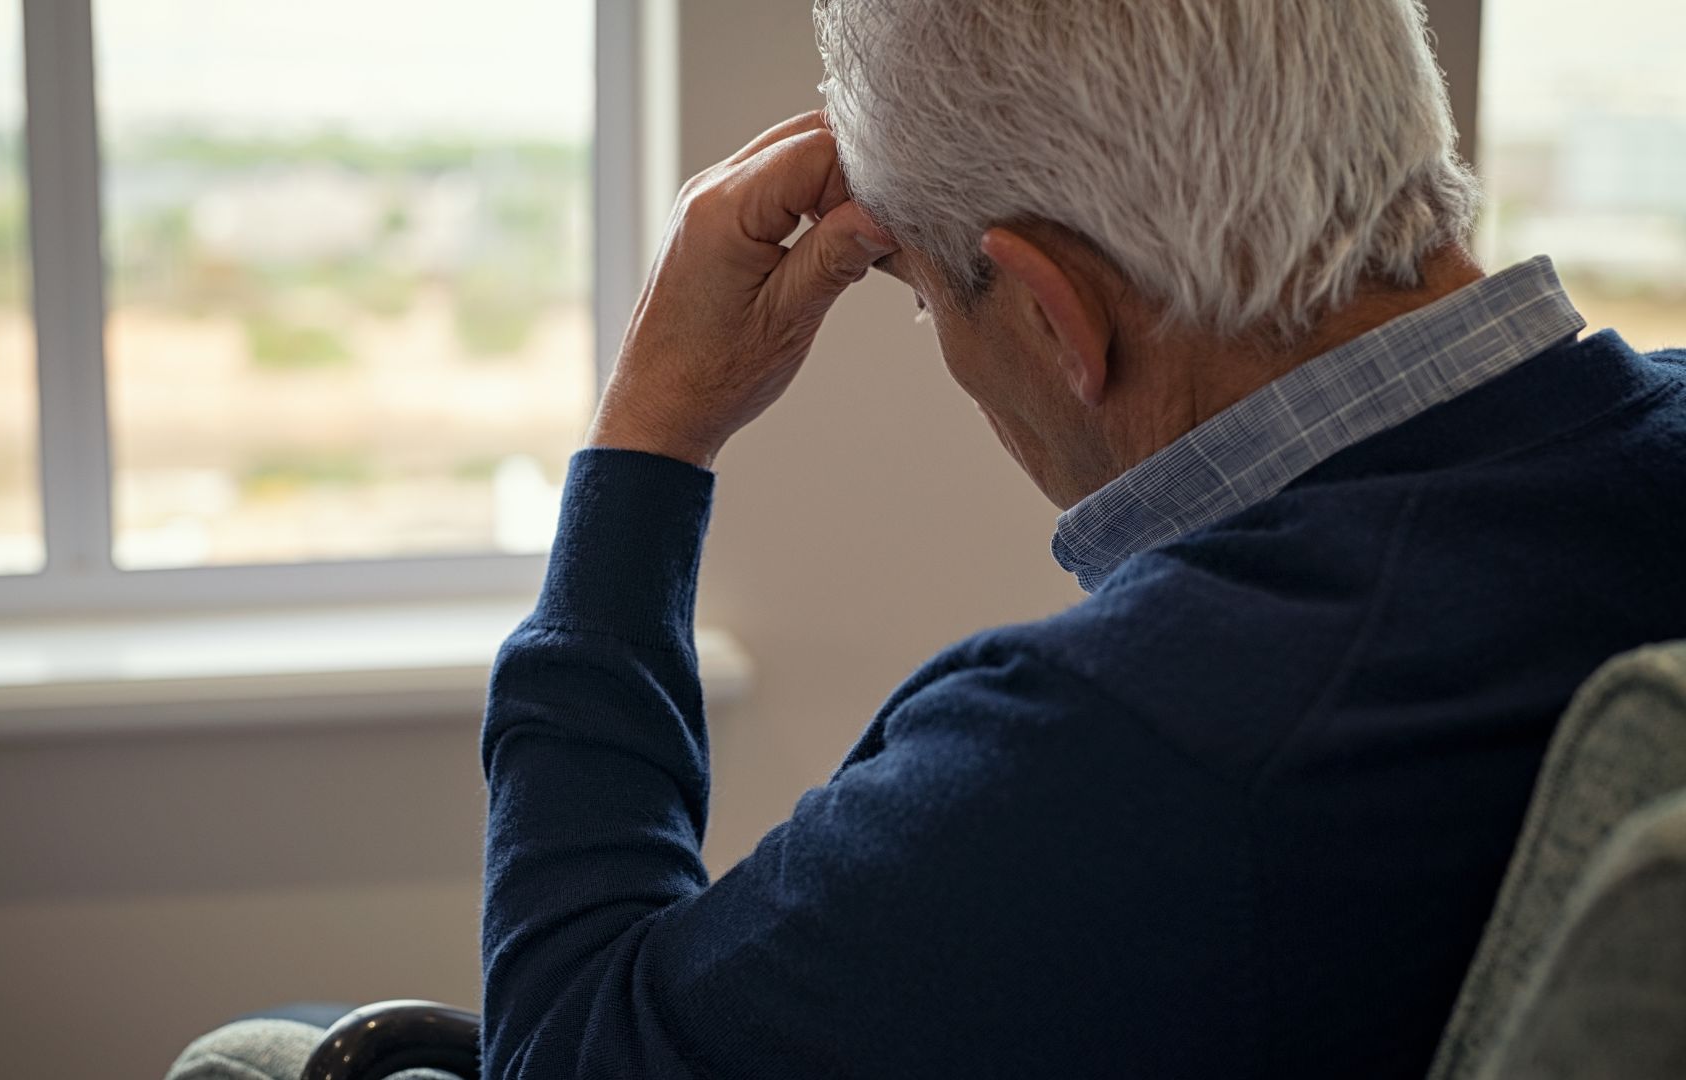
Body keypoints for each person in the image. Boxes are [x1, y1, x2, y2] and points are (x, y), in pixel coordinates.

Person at [169, 1, 1686, 1077]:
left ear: (1046, 310)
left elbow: (574, 1045)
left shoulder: (1145, 742)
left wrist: (647, 438)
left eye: (926, 299)